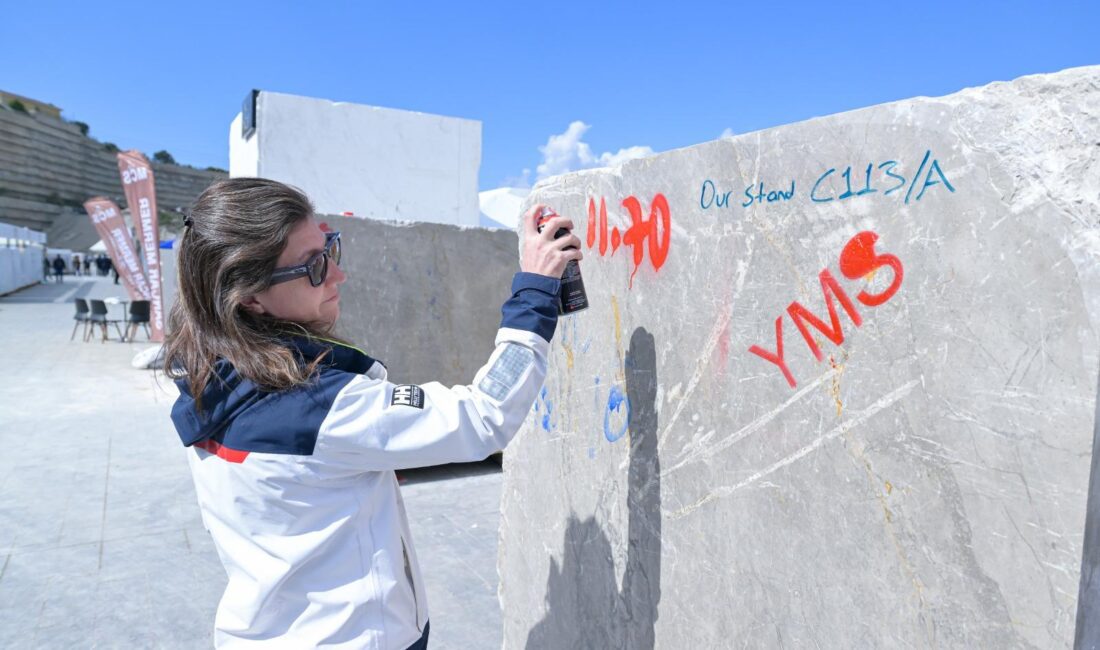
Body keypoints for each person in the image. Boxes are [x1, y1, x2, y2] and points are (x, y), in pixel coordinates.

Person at [163, 178, 581, 649]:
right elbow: (484, 415)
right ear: (250, 297)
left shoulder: (210, 375)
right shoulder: (318, 408)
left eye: (330, 250)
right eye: (314, 267)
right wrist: (536, 292)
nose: (338, 276)